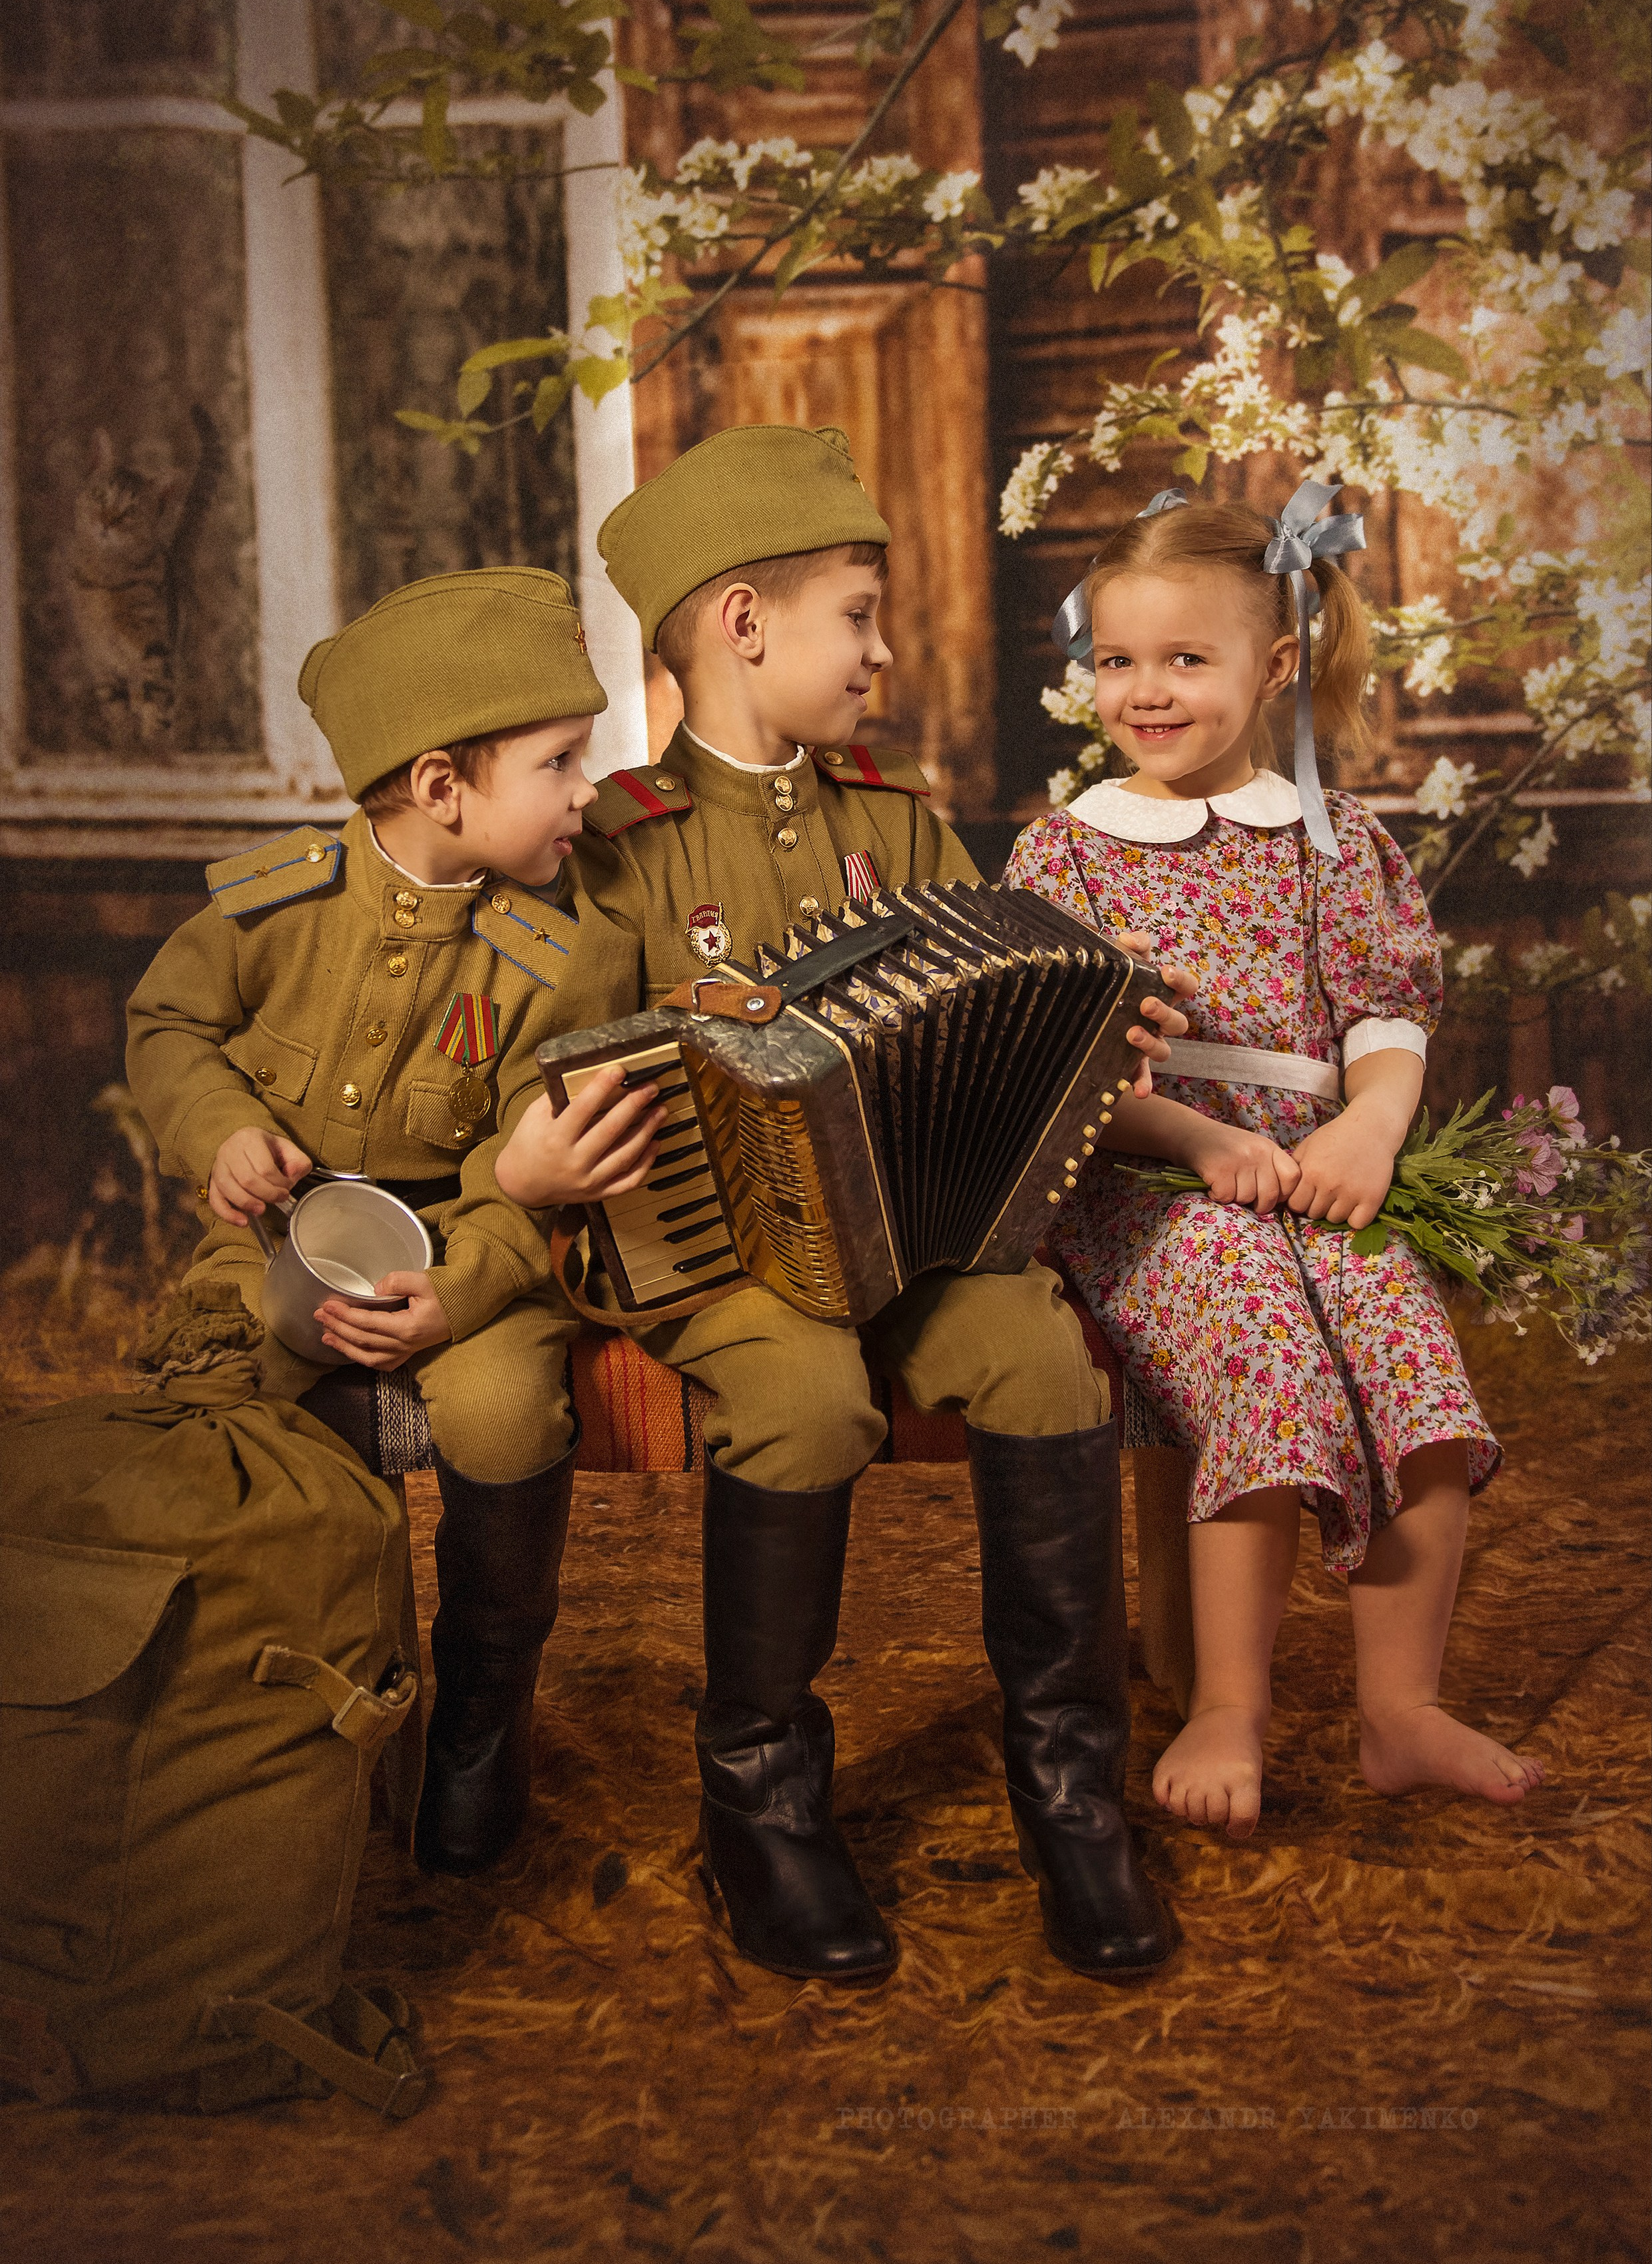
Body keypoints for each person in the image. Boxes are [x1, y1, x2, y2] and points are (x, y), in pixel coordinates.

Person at [495, 424, 1193, 1985]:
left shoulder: (902, 821)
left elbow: (1010, 1028)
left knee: (1038, 1358)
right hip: (719, 1251)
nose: (881, 653)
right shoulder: (604, 848)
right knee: (806, 1402)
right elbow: (555, 1077)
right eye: (857, 617)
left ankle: (1069, 1792)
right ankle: (761, 1804)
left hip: (921, 1236)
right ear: (743, 624)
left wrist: (1095, 1039)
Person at [1005, 487, 1542, 1845]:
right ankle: (1226, 1700)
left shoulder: (1329, 839)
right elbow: (1063, 1068)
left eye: (1185, 659)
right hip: (1149, 1179)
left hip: (1312, 1167)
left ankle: (1396, 1706)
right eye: (1117, 660)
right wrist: (1196, 1139)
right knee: (1259, 1331)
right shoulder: (1065, 850)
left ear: (1274, 665)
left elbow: (1382, 1012)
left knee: (1401, 1339)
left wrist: (1368, 1127)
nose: (1145, 689)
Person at [126, 568, 665, 1877]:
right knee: (256, 1390)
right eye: (556, 762)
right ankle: (318, 1706)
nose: (585, 790)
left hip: (485, 1236)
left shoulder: (569, 947)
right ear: (439, 788)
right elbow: (168, 1025)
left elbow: (534, 1163)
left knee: (498, 1409)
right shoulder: (274, 903)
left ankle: (481, 1718)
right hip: (282, 1238)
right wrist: (223, 1133)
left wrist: (467, 1285)